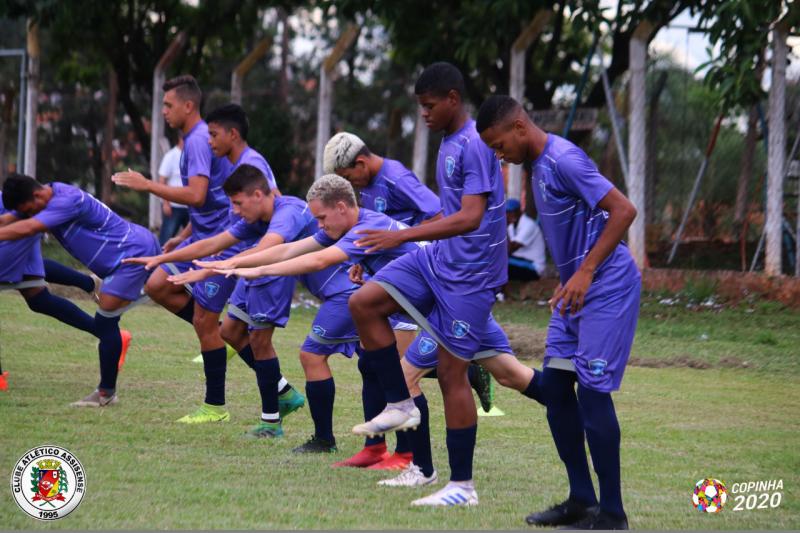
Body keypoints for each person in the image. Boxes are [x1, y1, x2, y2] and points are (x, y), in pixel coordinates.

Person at [216, 175, 542, 492]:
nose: (318, 225)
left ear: (342, 207)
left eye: (321, 217)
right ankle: (568, 399)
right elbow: (293, 250)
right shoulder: (355, 227)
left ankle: (419, 466)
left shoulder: (366, 228)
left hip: (450, 308)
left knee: (404, 377)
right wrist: (233, 265)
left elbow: (314, 261)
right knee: (511, 375)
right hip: (438, 310)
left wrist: (253, 269)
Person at [336, 62, 507, 507]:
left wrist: (399, 236)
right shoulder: (448, 142)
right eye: (420, 108)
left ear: (453, 98)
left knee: (454, 373)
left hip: (471, 275)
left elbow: (470, 217)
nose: (424, 115)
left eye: (430, 106)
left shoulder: (475, 145)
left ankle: (462, 487)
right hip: (438, 260)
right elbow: (444, 213)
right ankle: (401, 404)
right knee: (365, 303)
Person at [477, 94, 640, 530]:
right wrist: (571, 277)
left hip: (605, 285)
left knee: (590, 391)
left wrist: (585, 271)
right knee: (556, 389)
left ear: (519, 127)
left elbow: (624, 210)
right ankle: (581, 500)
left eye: (499, 145)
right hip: (574, 292)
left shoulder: (564, 158)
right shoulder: (535, 168)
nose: (499, 155)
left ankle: (612, 514)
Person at [112, 75, 242, 424]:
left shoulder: (199, 141)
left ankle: (216, 406)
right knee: (157, 285)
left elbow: (197, 196)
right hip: (201, 232)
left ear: (188, 105)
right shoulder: (196, 140)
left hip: (219, 239)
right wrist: (183, 233)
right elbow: (209, 200)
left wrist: (147, 185)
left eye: (168, 105)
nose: (164, 111)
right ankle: (217, 336)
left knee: (201, 317)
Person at [322, 131, 443, 470]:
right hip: (389, 283)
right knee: (369, 363)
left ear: (360, 163)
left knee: (399, 372)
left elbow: (439, 216)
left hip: (418, 281)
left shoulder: (396, 176)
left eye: (349, 178)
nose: (352, 186)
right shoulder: (369, 184)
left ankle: (405, 455)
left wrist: (399, 240)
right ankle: (374, 448)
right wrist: (368, 256)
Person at [0, 174, 159, 406]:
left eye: (30, 209)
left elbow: (28, 227)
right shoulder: (51, 192)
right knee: (178, 299)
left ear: (36, 195)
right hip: (127, 253)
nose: (31, 213)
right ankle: (106, 393)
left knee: (106, 323)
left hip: (130, 254)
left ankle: (106, 394)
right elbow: (12, 219)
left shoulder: (65, 201)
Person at [157, 137, 189, 245]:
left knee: (192, 239)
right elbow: (162, 180)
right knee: (166, 238)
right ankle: (158, 259)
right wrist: (166, 203)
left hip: (190, 205)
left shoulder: (192, 156)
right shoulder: (170, 156)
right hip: (174, 206)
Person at [506, 198, 546, 281]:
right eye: (506, 212)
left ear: (519, 211)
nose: (508, 215)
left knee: (499, 264)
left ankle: (500, 292)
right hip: (520, 260)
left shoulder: (528, 225)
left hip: (533, 267)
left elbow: (509, 250)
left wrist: (504, 226)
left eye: (511, 212)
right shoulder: (511, 225)